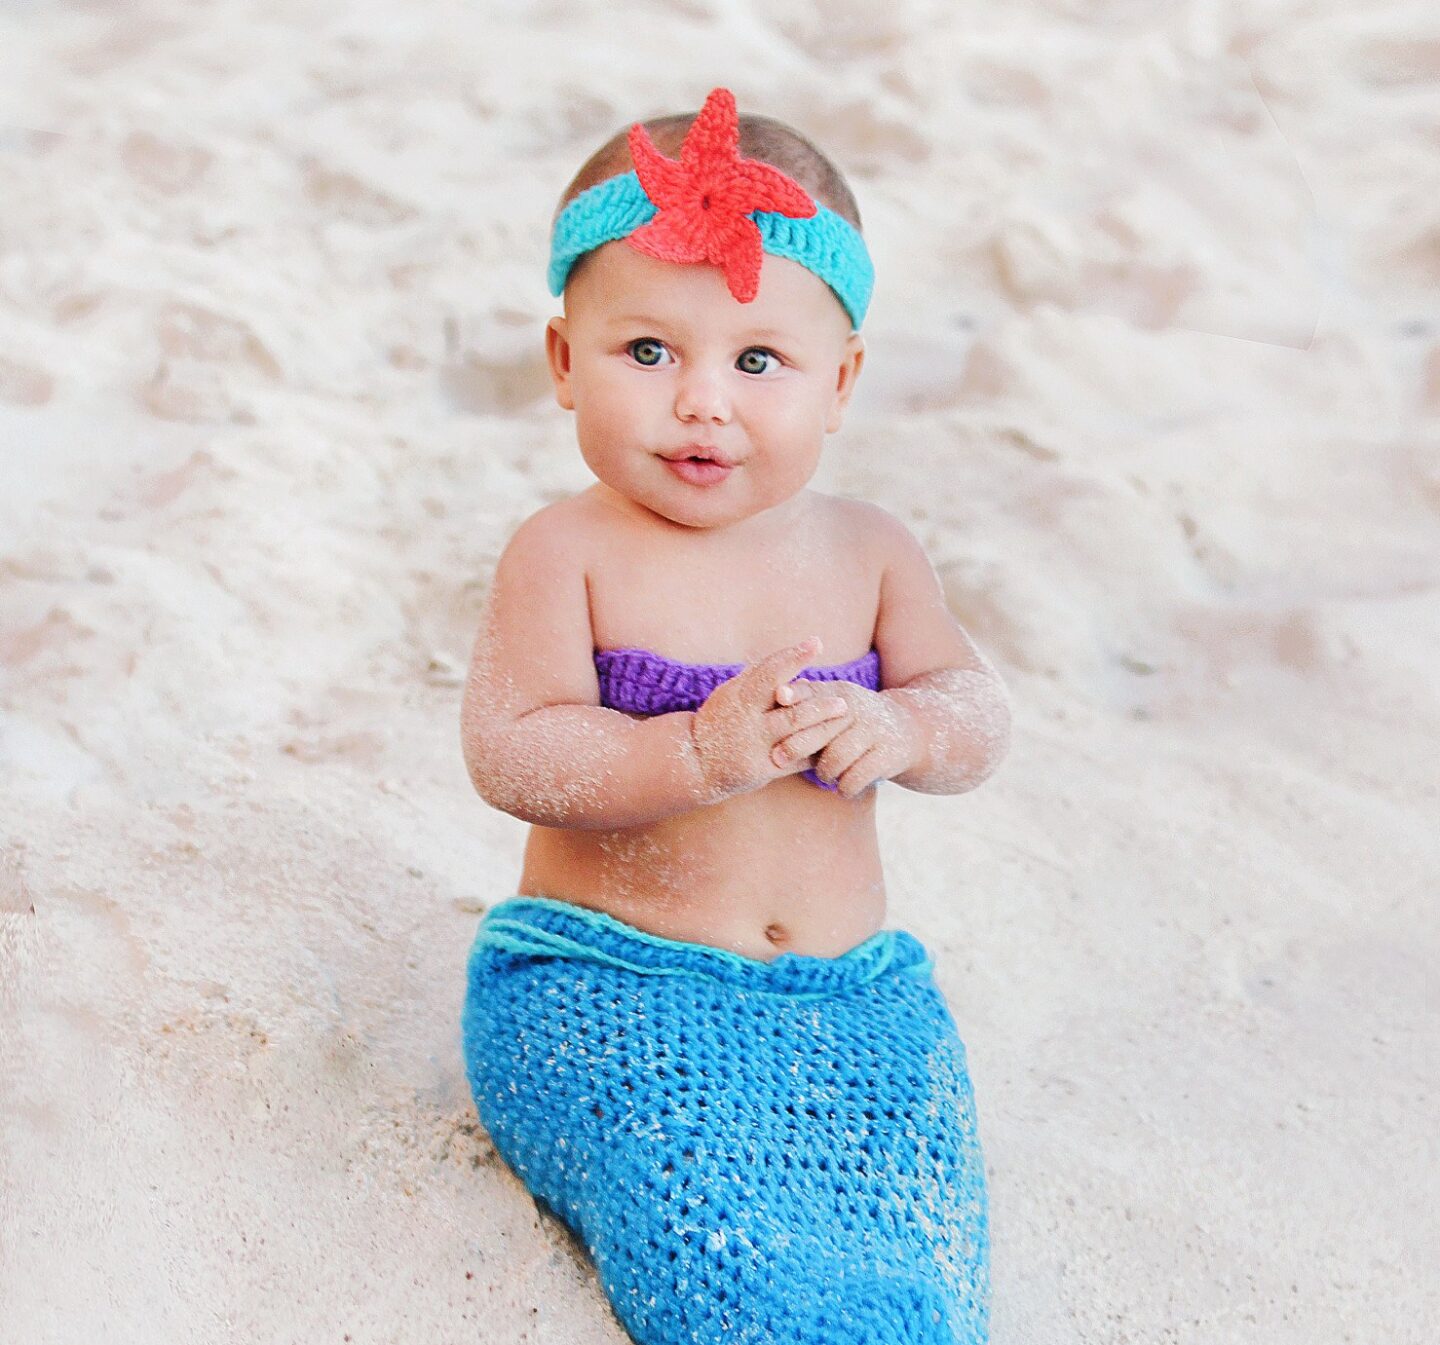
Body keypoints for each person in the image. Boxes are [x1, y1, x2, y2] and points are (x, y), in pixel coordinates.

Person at [459, 86, 1012, 1345]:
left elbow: (974, 706)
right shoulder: (566, 553)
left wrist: (915, 733)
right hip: (603, 984)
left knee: (916, 1201)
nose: (703, 400)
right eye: (648, 352)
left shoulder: (870, 552)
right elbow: (512, 749)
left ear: (842, 381)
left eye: (758, 361)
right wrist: (693, 750)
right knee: (696, 1207)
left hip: (845, 992)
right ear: (562, 362)